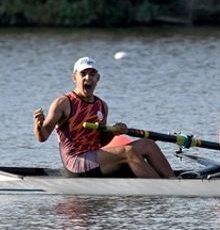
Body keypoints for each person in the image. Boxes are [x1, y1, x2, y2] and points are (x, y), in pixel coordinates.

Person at [33, 57, 175, 178]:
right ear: (74, 78)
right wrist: (38, 125)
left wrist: (114, 131)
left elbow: (101, 142)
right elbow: (43, 136)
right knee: (128, 151)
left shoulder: (102, 106)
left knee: (148, 144)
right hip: (76, 162)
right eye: (83, 74)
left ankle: (174, 182)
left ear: (97, 78)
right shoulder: (63, 103)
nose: (88, 78)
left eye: (92, 74)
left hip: (96, 156)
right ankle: (163, 188)